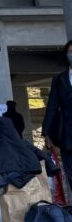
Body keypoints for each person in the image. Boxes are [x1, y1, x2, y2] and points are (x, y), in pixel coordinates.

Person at [43, 39, 72, 190]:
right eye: (70, 52)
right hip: (68, 135)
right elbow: (52, 106)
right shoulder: (60, 79)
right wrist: (46, 132)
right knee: (71, 173)